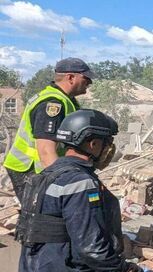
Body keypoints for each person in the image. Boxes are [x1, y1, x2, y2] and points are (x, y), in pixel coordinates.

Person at [17, 109, 143, 272]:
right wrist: (123, 271)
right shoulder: (80, 183)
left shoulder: (46, 176)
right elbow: (91, 248)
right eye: (107, 143)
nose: (109, 149)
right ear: (93, 144)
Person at [4, 57, 93, 203]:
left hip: (41, 169)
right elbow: (46, 151)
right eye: (86, 78)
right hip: (30, 169)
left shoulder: (65, 100)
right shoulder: (52, 104)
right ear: (70, 77)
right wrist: (64, 182)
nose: (89, 82)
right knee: (40, 216)